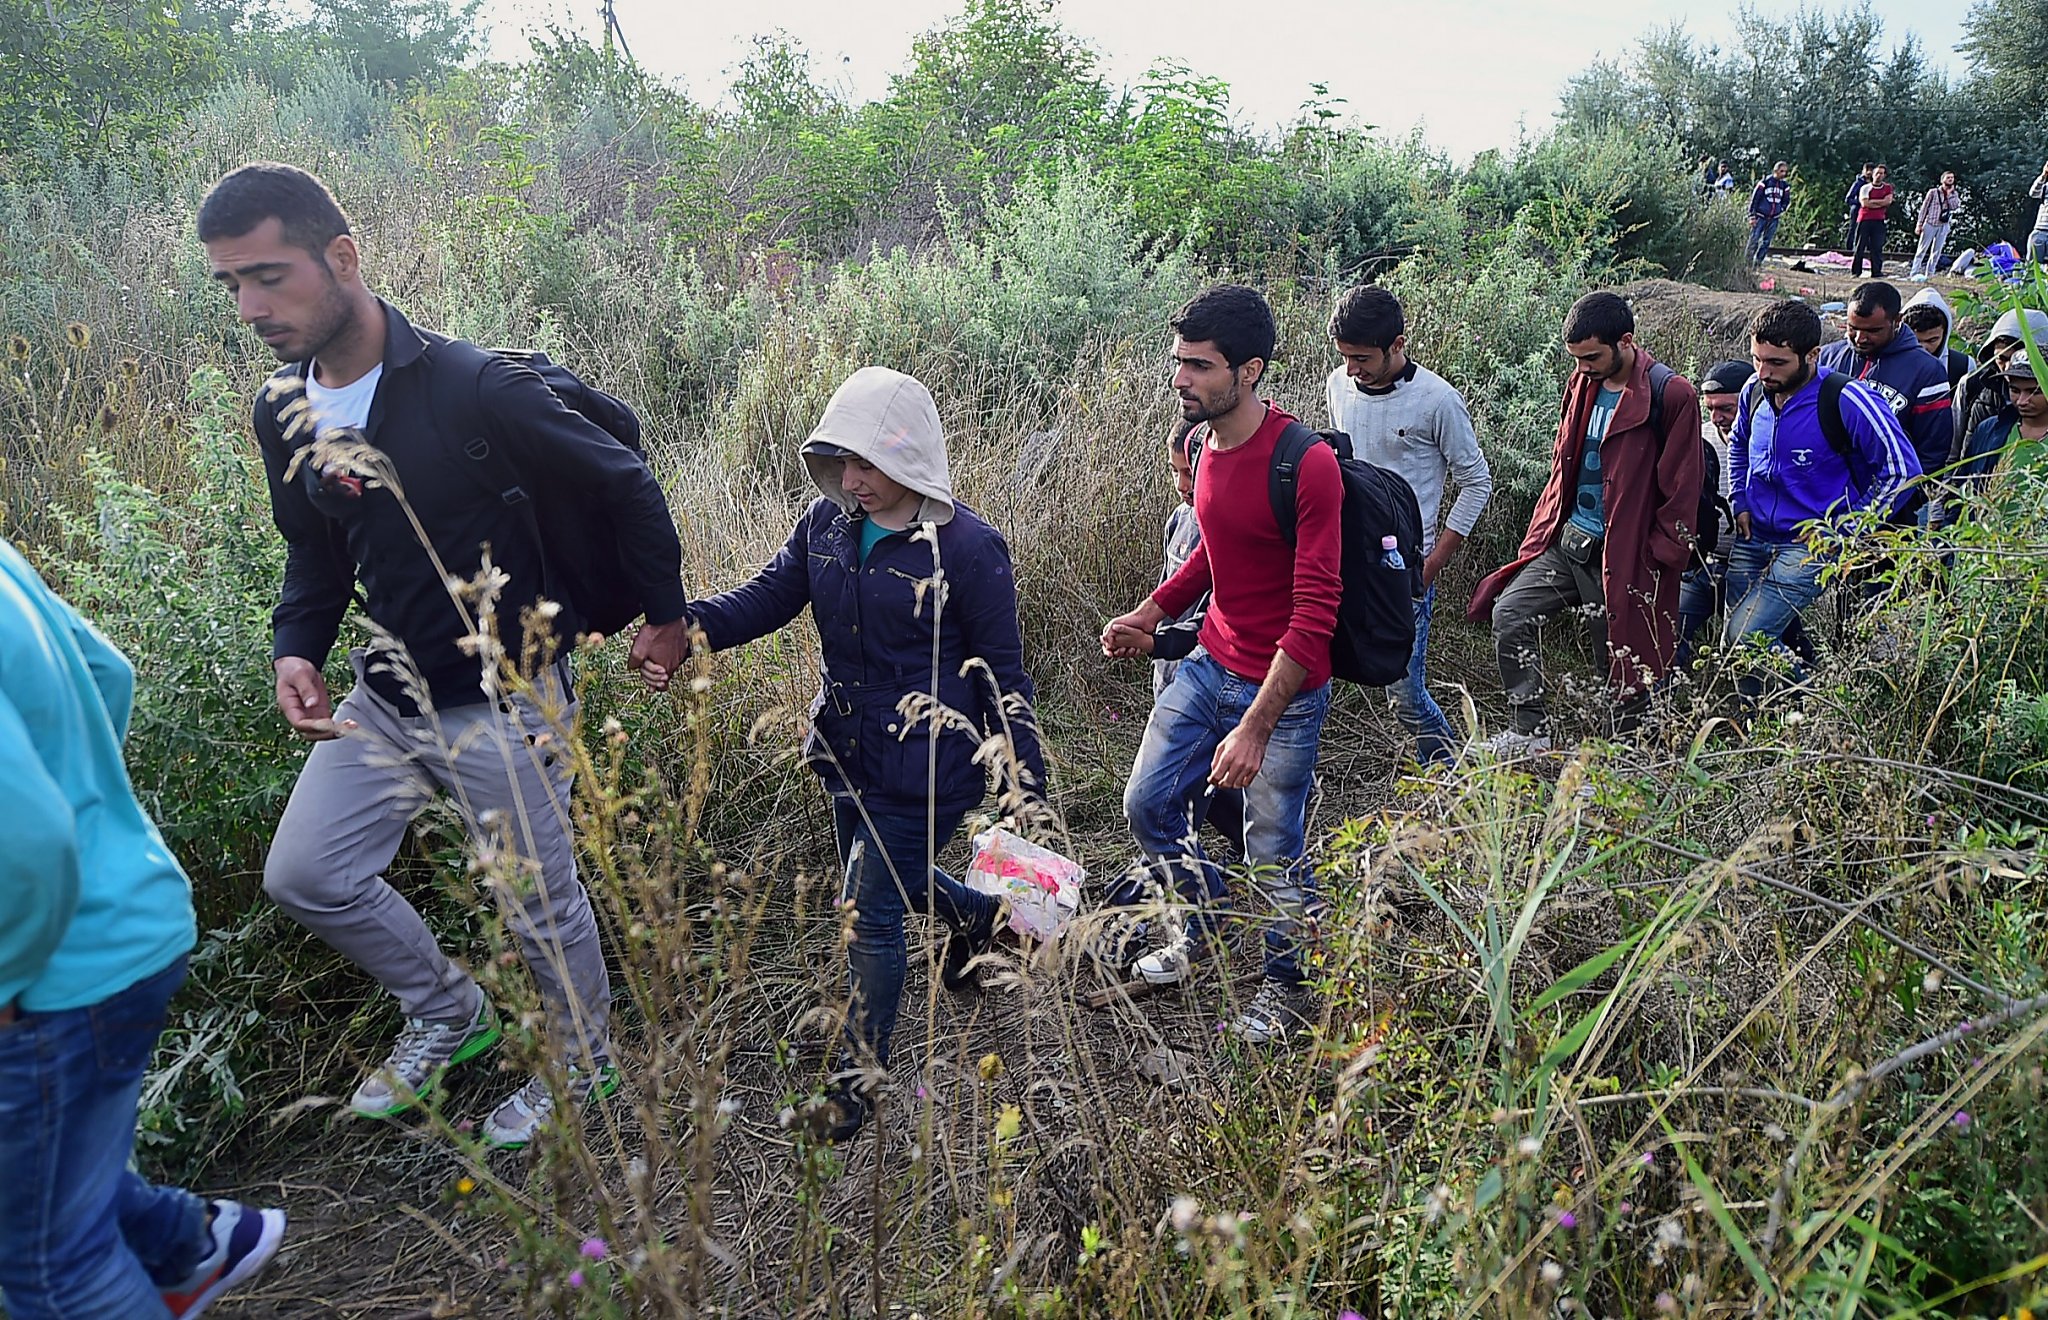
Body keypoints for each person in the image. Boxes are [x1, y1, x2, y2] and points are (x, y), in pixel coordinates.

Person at [199, 163, 690, 1149]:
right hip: (384, 696)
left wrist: (664, 617)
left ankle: (586, 1061)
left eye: (269, 276)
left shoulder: (475, 387)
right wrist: (296, 646)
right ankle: (449, 1012)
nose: (251, 307)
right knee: (306, 873)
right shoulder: (281, 408)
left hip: (504, 697)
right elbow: (312, 547)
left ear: (342, 257)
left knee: (535, 900)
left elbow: (627, 481)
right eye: (232, 286)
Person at [684, 366, 1045, 1141]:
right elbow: (768, 597)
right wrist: (688, 629)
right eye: (841, 463)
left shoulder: (970, 548)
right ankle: (980, 917)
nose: (852, 480)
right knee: (893, 885)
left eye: (868, 465)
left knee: (868, 914)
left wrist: (1029, 784)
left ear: (912, 458)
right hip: (844, 750)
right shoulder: (826, 524)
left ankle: (860, 1083)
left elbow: (1002, 675)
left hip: (926, 767)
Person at [0, 538, 287, 1319]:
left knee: (52, 1267)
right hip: (124, 917)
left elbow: (24, 840)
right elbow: (106, 674)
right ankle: (184, 1244)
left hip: (50, 978)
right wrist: (95, 816)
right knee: (45, 1189)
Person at [1104, 284, 1341, 1044]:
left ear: (1250, 370)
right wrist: (1152, 611)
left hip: (1285, 688)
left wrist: (1255, 728)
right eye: (1180, 363)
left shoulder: (1305, 465)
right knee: (1146, 806)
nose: (1182, 380)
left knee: (1273, 849)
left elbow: (1314, 617)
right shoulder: (1204, 446)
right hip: (1210, 661)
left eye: (1199, 367)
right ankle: (1199, 917)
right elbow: (1215, 548)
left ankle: (1287, 987)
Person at [1468, 292, 1704, 752]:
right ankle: (1529, 733)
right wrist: (1544, 527)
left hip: (1628, 551)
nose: (1583, 366)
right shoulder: (1582, 383)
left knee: (1620, 659)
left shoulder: (1671, 394)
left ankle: (1624, 761)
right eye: (1576, 358)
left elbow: (1683, 489)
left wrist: (1660, 558)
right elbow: (1564, 464)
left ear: (1626, 341)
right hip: (1569, 541)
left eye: (1592, 356)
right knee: (1510, 613)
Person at [1324, 283, 1494, 764]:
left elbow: (1476, 482)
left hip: (1405, 566)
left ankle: (1455, 775)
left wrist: (1433, 562)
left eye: (1362, 358)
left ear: (1398, 344)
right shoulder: (1338, 385)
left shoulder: (1438, 401)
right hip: (1344, 556)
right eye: (1345, 357)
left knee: (1403, 692)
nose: (1352, 369)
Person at [1723, 301, 1922, 696]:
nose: (1764, 372)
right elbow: (1739, 444)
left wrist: (1846, 529)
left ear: (1811, 355)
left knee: (1745, 638)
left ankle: (1821, 702)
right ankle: (1759, 715)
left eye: (1777, 363)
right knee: (1757, 637)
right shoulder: (1753, 391)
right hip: (1754, 535)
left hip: (1810, 543)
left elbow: (1903, 471)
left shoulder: (1848, 399)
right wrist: (1739, 498)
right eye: (1757, 360)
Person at [1817, 281, 1955, 499]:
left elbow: (1932, 451)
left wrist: (1907, 500)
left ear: (1897, 321)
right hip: (1826, 496)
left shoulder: (1927, 371)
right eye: (1853, 328)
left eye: (1873, 331)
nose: (1860, 338)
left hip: (1890, 504)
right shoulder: (1827, 358)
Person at [1674, 359, 1749, 666]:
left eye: (1727, 409)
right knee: (1667, 635)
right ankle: (1661, 711)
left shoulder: (1770, 439)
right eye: (1711, 409)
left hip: (1751, 565)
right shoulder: (1697, 439)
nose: (1717, 418)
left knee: (1748, 648)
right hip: (1701, 565)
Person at [1952, 354, 2048, 503]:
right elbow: (1964, 486)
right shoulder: (1989, 430)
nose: (2022, 401)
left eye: (2034, 392)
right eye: (2015, 390)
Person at [1902, 288, 1974, 393]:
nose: (1923, 347)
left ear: (1945, 334)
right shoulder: (1887, 362)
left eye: (1932, 340)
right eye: (1916, 340)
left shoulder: (1962, 366)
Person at [1909, 171, 1961, 281]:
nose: (1950, 180)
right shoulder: (1933, 192)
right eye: (1948, 178)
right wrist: (1919, 224)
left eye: (1952, 178)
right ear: (1942, 180)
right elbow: (1924, 208)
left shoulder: (1954, 194)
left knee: (1937, 251)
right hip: (1930, 223)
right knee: (1922, 249)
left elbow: (1955, 206)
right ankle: (1914, 272)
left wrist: (1950, 195)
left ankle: (1930, 273)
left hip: (1943, 225)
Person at [1851, 165, 1895, 277]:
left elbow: (1888, 201)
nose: (1879, 175)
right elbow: (1865, 203)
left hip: (1879, 220)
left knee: (1877, 247)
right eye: (1877, 173)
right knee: (1860, 246)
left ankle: (1876, 271)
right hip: (1865, 219)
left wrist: (1873, 203)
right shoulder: (1865, 188)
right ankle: (1856, 271)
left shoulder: (1887, 188)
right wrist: (1880, 202)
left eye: (1881, 173)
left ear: (1884, 175)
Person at [1748, 161, 1793, 265]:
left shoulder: (1785, 186)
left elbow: (1786, 201)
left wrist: (1781, 209)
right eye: (1781, 171)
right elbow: (1755, 199)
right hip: (1760, 216)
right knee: (1754, 239)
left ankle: (1758, 262)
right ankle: (1747, 262)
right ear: (1775, 170)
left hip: (1774, 217)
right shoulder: (1765, 183)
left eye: (1785, 172)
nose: (1783, 174)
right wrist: (1752, 216)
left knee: (1766, 242)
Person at [1842, 164, 1874, 250]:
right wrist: (1861, 202)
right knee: (1853, 228)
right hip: (1857, 209)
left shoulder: (1874, 183)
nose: (1869, 172)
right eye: (1867, 170)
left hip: (1870, 211)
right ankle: (1849, 249)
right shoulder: (1858, 183)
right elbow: (1848, 198)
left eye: (1871, 170)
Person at [2030, 160, 2048, 262]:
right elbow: (2033, 193)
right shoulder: (2046, 186)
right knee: (2032, 269)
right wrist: (2043, 175)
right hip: (2040, 231)